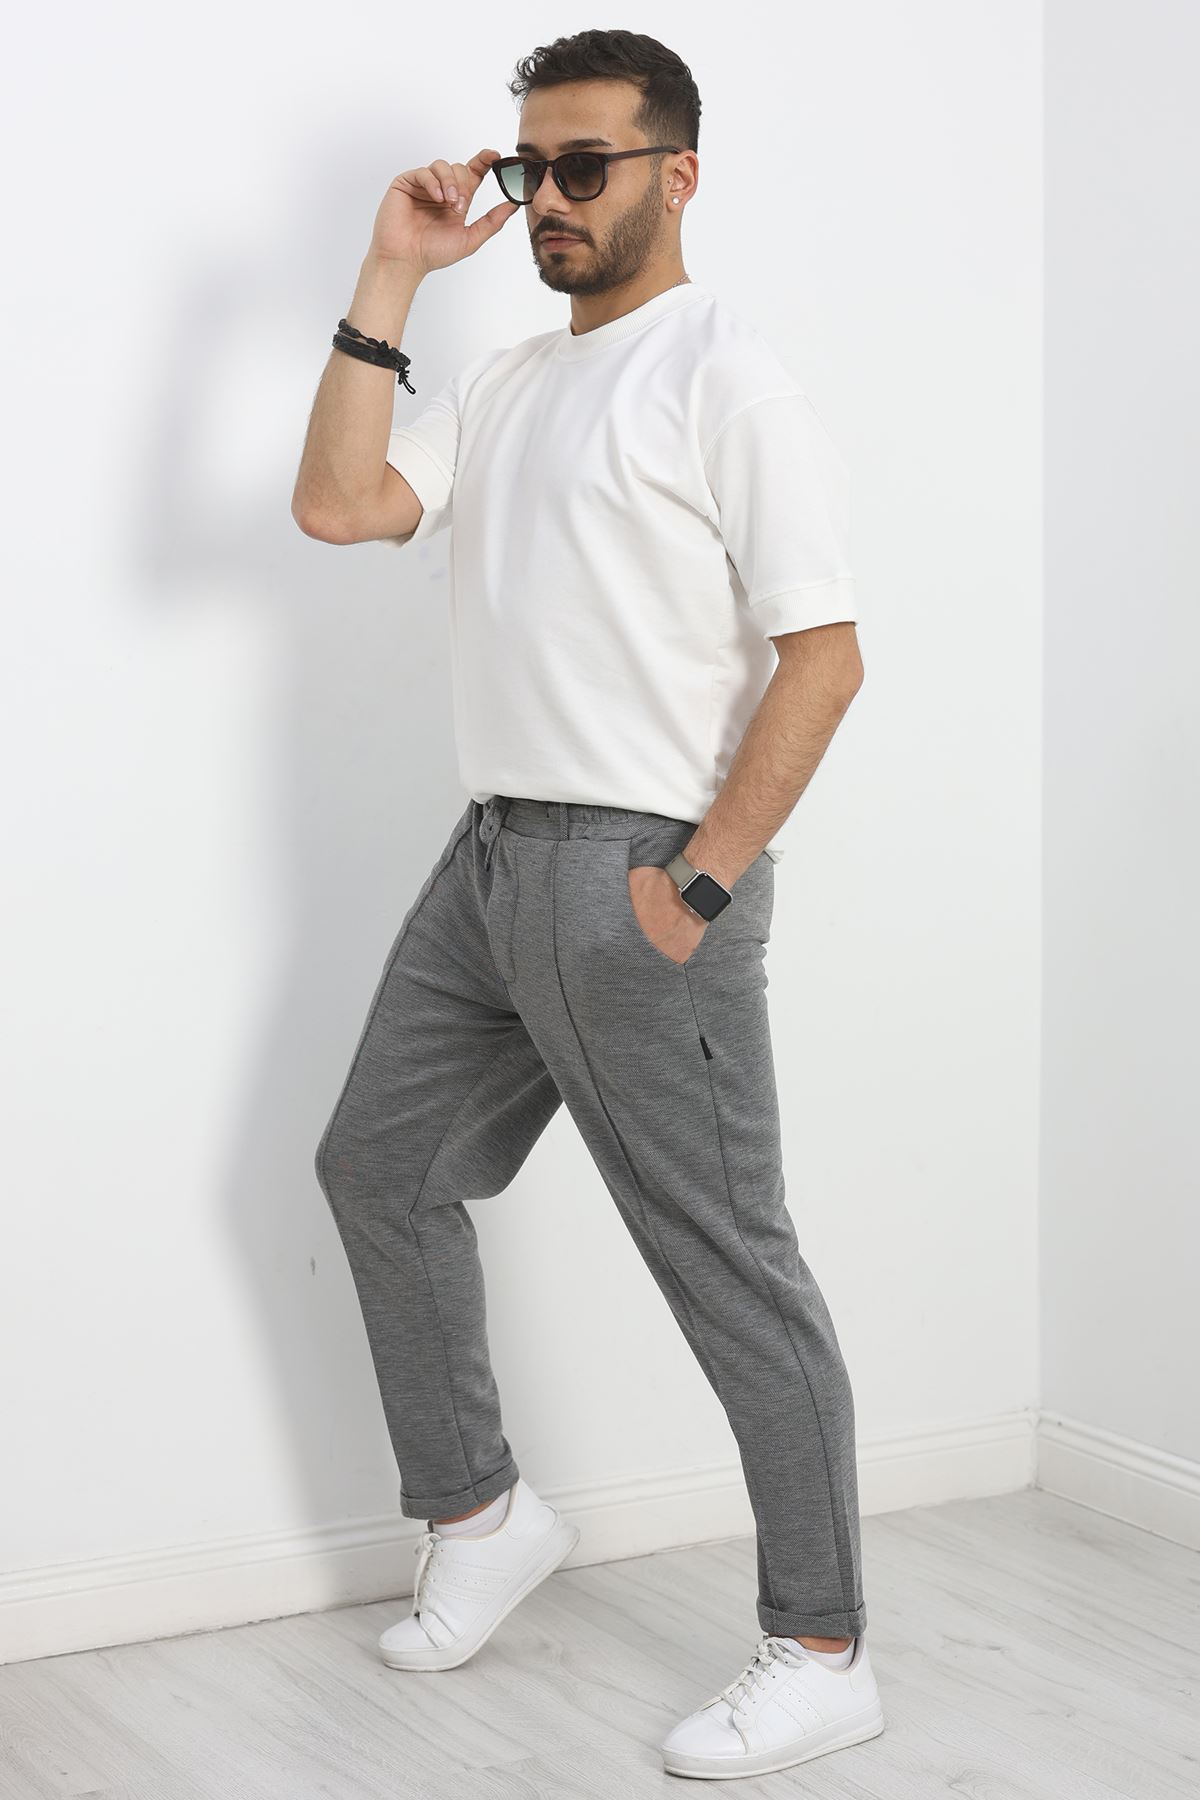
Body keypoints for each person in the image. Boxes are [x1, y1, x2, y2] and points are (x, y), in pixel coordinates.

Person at [292, 27, 884, 1782]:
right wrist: (393, 271)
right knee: (378, 1169)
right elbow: (337, 503)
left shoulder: (725, 374)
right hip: (489, 860)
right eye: (527, 165)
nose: (545, 196)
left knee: (729, 1265)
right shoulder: (510, 384)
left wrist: (695, 884)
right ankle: (479, 1514)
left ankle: (825, 1647)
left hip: (639, 871)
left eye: (582, 166)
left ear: (674, 176)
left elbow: (826, 657)